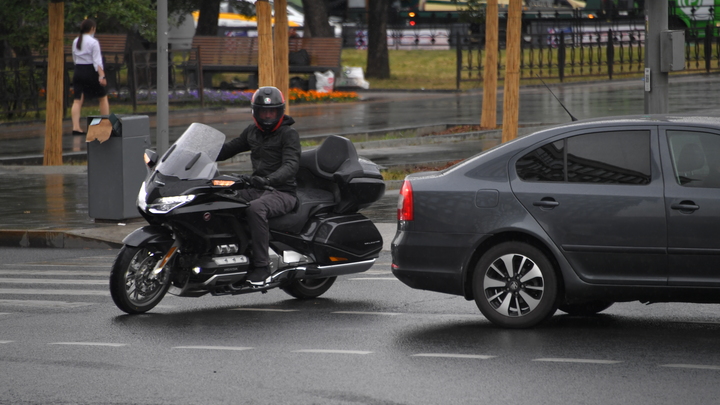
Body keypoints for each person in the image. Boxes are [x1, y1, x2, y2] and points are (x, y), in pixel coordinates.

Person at [216, 86, 301, 286]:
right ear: (256, 112)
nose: (268, 116)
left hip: (282, 191)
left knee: (256, 209)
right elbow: (229, 149)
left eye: (272, 111)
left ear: (280, 111)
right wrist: (199, 152)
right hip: (257, 187)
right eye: (264, 112)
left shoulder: (288, 134)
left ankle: (262, 266)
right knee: (221, 199)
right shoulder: (252, 132)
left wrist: (270, 180)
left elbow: (291, 165)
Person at [71, 19, 110, 135]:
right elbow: (97, 61)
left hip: (78, 70)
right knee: (102, 98)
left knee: (77, 100)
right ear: (92, 29)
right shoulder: (94, 42)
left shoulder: (76, 41)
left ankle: (76, 127)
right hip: (90, 71)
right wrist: (102, 76)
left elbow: (74, 57)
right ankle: (105, 124)